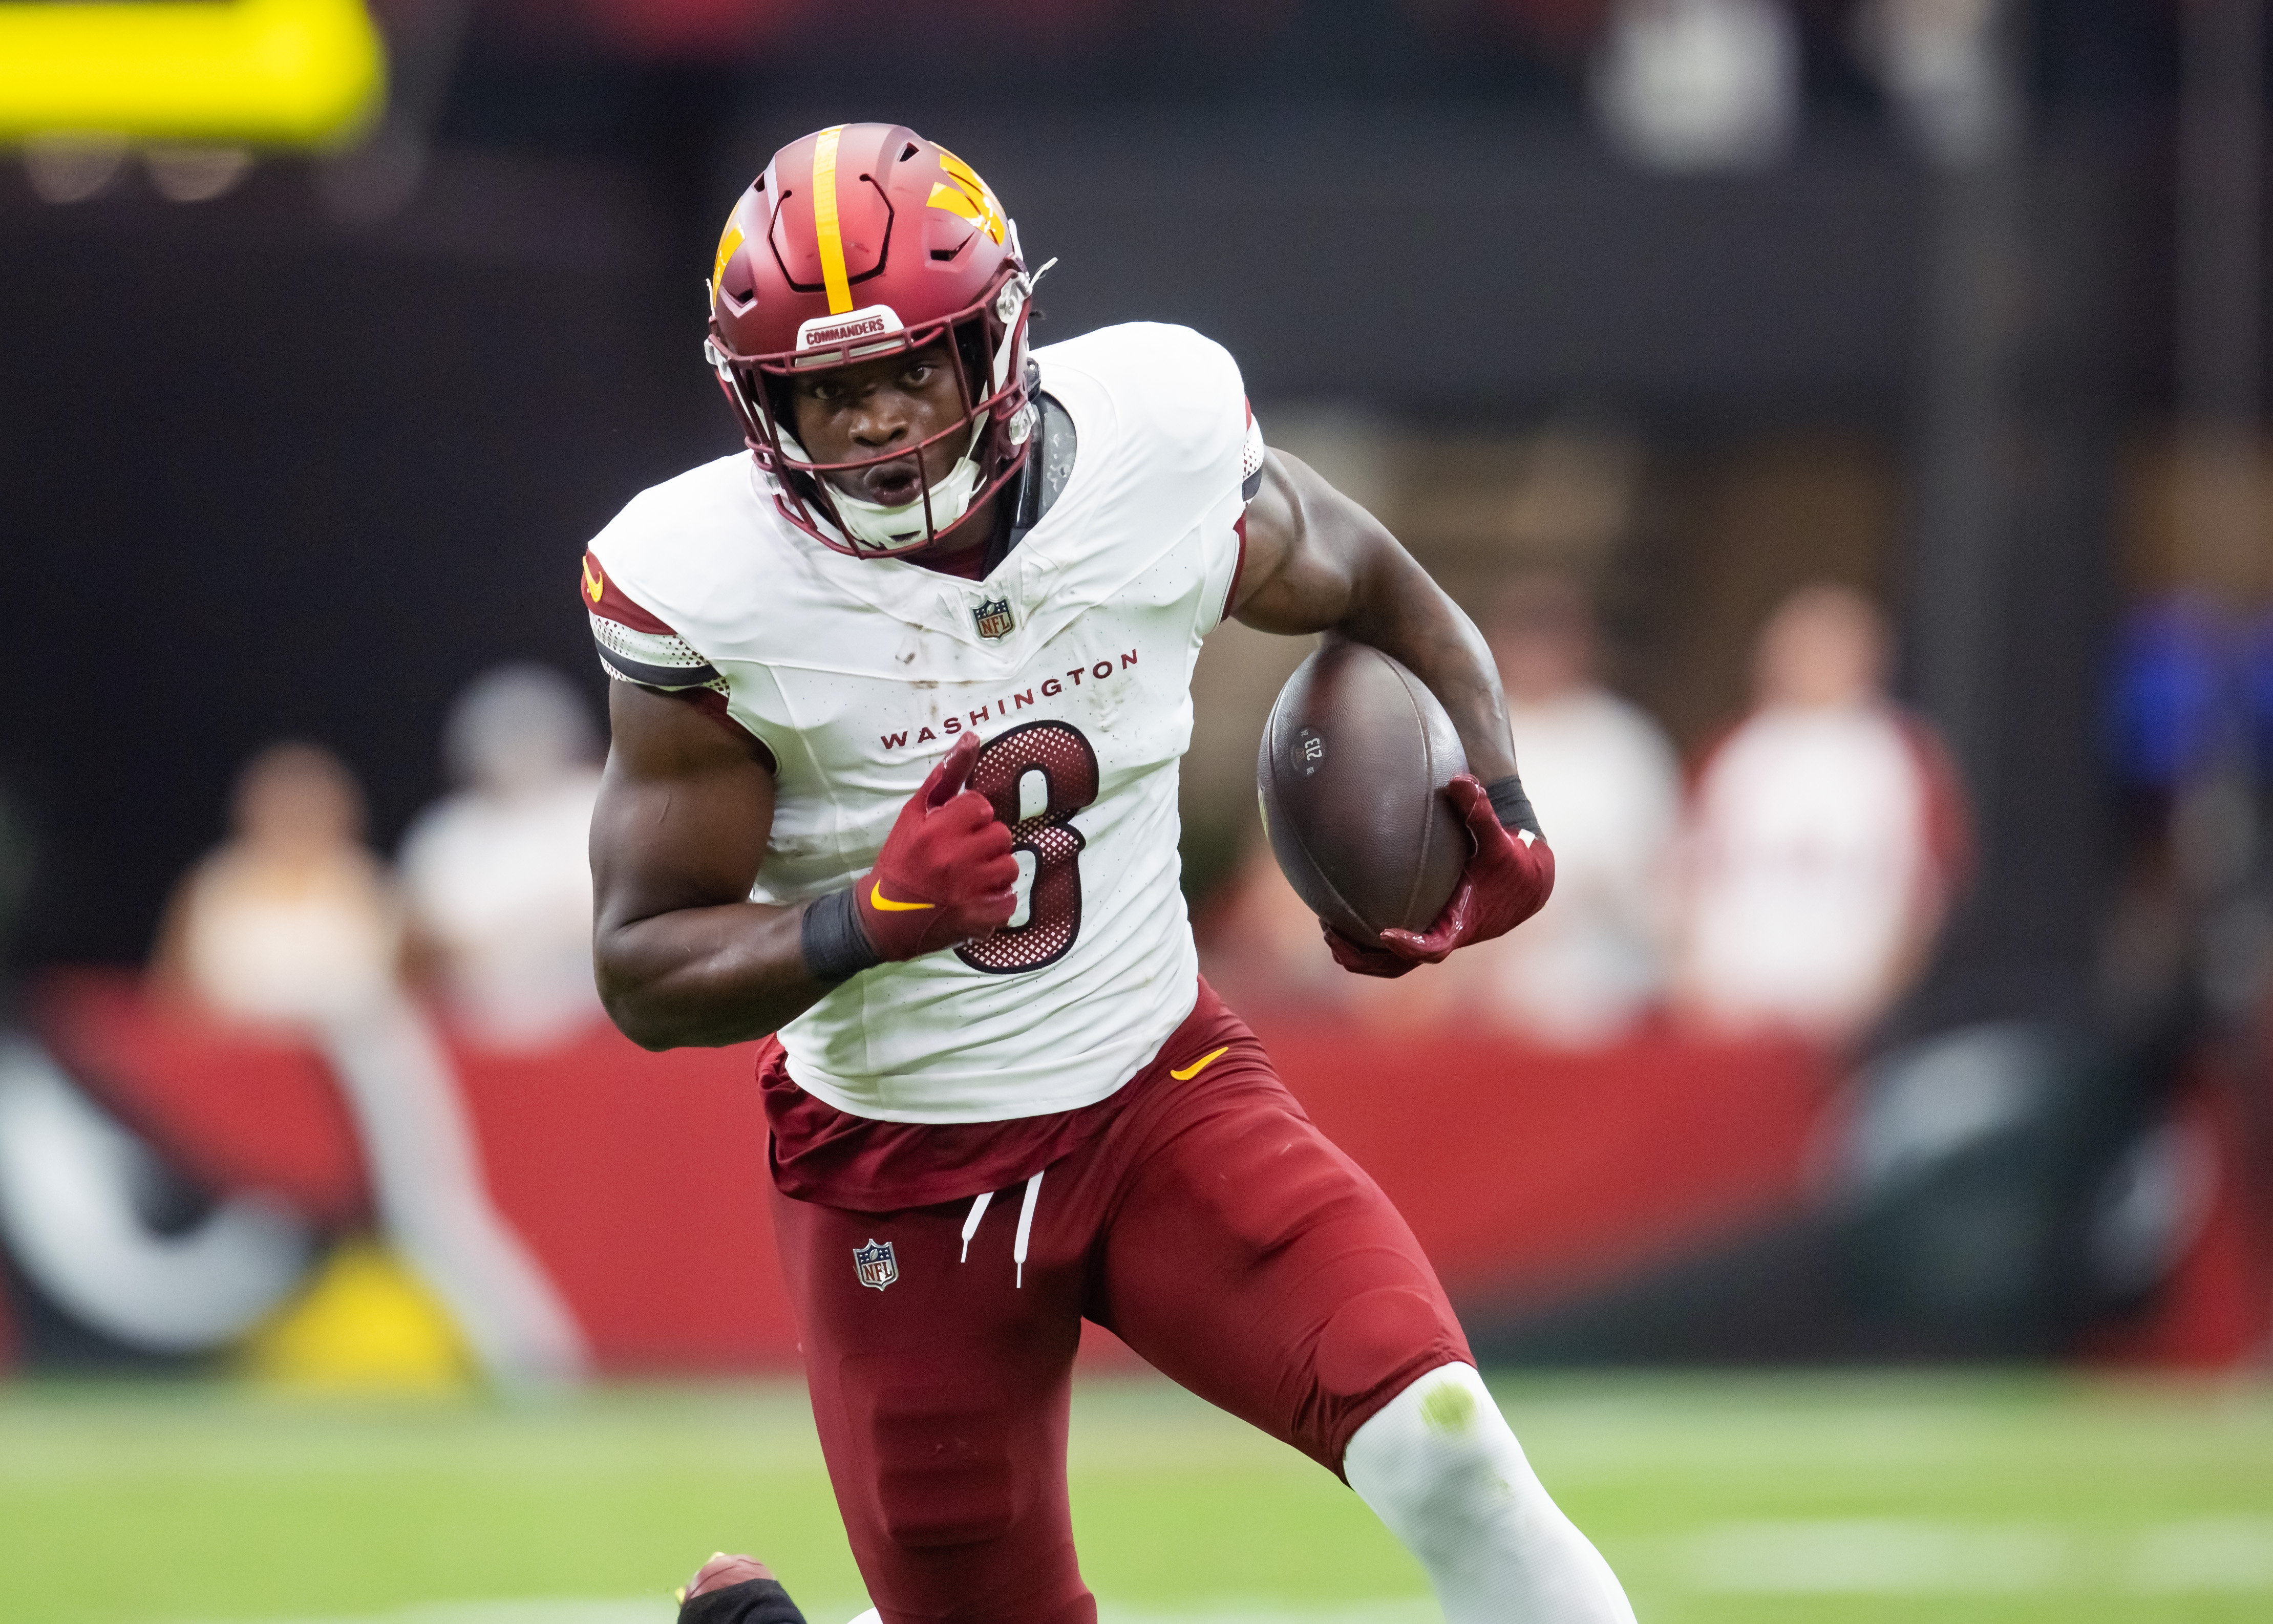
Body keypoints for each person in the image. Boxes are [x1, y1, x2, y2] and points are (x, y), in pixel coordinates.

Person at [586, 125, 1633, 1624]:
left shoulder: (1154, 438)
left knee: (1450, 1449)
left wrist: (1500, 790)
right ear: (762, 404)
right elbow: (639, 966)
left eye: (911, 371)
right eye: (829, 392)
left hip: (1163, 1098)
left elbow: (1368, 572)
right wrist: (869, 917)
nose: (877, 425)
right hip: (898, 1173)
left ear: (999, 342)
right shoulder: (711, 584)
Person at [1673, 583, 1970, 1042]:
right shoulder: (1732, 751)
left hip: (1849, 1010)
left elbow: (1930, 886)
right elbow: (1682, 869)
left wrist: (1882, 987)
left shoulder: (1902, 756)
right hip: (1734, 1008)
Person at [1458, 574, 1682, 1046]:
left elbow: (1655, 883)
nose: (1538, 657)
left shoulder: (1623, 744)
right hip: (1480, 993)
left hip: (1601, 985)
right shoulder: (1463, 741)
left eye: (1550, 641)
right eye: (1525, 640)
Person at [399, 663, 606, 1048]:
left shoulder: (597, 805)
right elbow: (422, 944)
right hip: (476, 1036)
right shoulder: (445, 834)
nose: (517, 750)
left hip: (595, 1030)